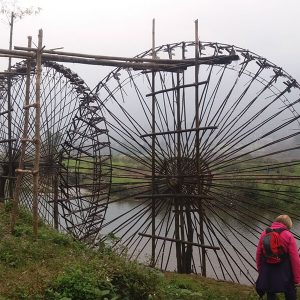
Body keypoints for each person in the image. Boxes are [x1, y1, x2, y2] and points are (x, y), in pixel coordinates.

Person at [256, 215, 300, 300]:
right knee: (290, 291)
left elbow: (259, 253)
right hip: (285, 271)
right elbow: (295, 259)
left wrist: (260, 269)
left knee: (270, 291)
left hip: (267, 268)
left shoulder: (264, 233)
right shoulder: (288, 235)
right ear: (288, 225)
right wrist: (297, 278)